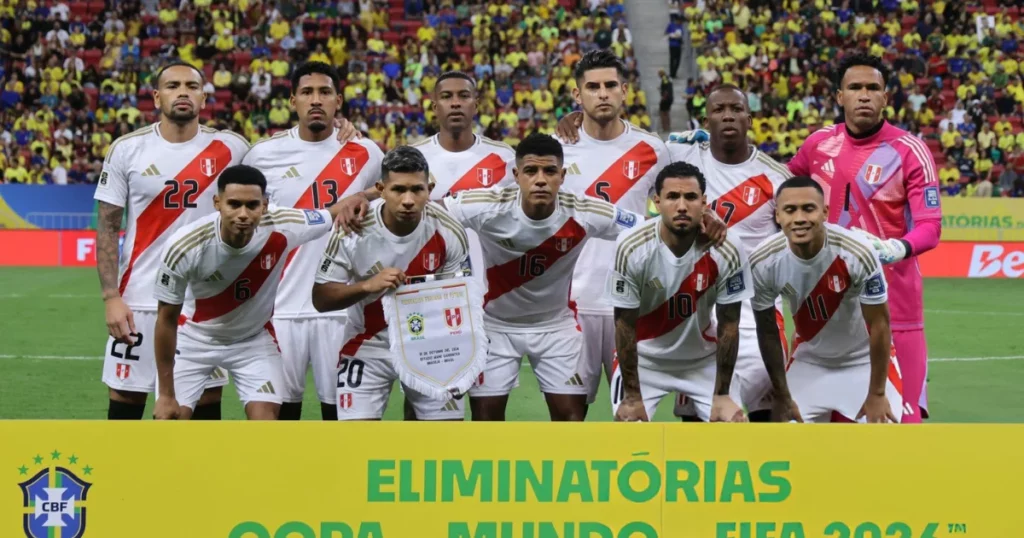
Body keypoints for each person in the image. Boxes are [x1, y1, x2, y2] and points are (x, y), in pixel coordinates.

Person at [333, 71, 515, 419]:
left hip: (470, 296)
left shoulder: (504, 158)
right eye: (447, 96)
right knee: (419, 391)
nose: (456, 102)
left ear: (477, 103)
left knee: (463, 408)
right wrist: (360, 194)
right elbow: (384, 191)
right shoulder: (413, 154)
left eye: (464, 96)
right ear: (434, 105)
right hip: (410, 296)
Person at [442, 133, 644, 421]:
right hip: (495, 326)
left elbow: (649, 229)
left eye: (549, 171)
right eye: (530, 171)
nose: (540, 179)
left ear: (562, 176)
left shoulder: (585, 211)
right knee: (485, 422)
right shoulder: (486, 205)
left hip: (555, 327)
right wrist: (367, 198)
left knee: (571, 421)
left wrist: (702, 223)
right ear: (516, 175)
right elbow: (427, 212)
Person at [787, 53, 942, 423]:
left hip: (895, 313)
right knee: (816, 441)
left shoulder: (910, 150)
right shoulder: (817, 145)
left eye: (873, 88)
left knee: (898, 433)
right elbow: (779, 191)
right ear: (839, 97)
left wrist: (894, 248)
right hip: (824, 311)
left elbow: (930, 226)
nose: (864, 95)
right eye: (855, 88)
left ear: (886, 97)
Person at [93, 61, 250, 421]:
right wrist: (111, 298)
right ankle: (123, 478)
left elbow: (281, 157)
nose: (182, 92)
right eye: (173, 85)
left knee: (201, 405)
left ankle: (198, 480)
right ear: (156, 96)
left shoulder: (232, 148)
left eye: (191, 86)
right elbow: (106, 228)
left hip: (204, 305)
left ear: (204, 97)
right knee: (125, 401)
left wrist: (341, 130)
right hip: (139, 301)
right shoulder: (127, 149)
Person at [242, 61, 384, 421]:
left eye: (324, 92)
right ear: (292, 101)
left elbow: (389, 197)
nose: (315, 100)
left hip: (340, 308)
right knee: (283, 416)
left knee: (336, 414)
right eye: (307, 92)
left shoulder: (366, 153)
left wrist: (364, 195)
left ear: (339, 101)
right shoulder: (263, 155)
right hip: (279, 308)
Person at [152, 164, 345, 420]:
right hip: (194, 340)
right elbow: (166, 320)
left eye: (252, 205)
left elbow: (334, 213)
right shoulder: (185, 246)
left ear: (264, 205)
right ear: (217, 203)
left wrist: (373, 195)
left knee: (265, 425)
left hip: (253, 341)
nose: (243, 214)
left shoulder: (284, 224)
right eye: (234, 204)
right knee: (169, 421)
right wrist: (166, 395)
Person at [312, 146, 472, 421]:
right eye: (398, 190)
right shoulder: (352, 229)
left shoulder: (448, 229)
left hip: (431, 346)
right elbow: (321, 299)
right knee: (357, 444)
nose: (408, 200)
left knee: (445, 439)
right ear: (381, 189)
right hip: (367, 345)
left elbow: (460, 300)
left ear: (429, 189)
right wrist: (366, 286)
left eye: (417, 190)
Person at [556, 49, 675, 415]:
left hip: (630, 303)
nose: (602, 93)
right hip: (570, 303)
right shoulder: (557, 148)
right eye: (592, 87)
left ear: (625, 91)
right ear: (578, 96)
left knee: (632, 415)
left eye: (610, 85)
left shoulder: (654, 151)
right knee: (568, 416)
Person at [665, 84, 792, 422]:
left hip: (756, 313)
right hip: (701, 309)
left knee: (768, 413)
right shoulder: (683, 161)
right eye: (719, 109)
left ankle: (764, 474)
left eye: (736, 109)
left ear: (749, 117)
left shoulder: (776, 177)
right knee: (697, 419)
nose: (728, 115)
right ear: (707, 119)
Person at [749, 176, 903, 423]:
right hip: (809, 362)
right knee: (786, 444)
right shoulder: (763, 260)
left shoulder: (858, 251)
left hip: (863, 362)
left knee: (882, 445)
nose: (799, 218)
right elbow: (767, 331)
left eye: (808, 209)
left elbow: (880, 325)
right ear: (777, 216)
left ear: (824, 212)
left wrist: (877, 393)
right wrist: (782, 393)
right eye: (790, 210)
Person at [607, 162, 749, 423]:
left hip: (702, 361)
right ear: (657, 201)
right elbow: (623, 324)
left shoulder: (727, 247)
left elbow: (730, 324)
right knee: (628, 435)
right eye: (672, 197)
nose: (682, 206)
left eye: (691, 197)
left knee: (734, 431)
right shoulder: (631, 246)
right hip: (645, 362)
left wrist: (722, 395)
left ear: (704, 202)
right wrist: (632, 397)